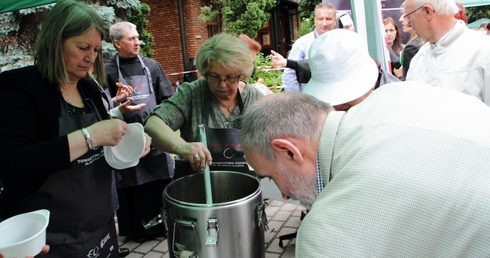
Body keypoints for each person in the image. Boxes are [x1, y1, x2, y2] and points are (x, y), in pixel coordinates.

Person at [240, 29, 490, 257]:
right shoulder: (400, 93)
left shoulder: (327, 229)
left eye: (271, 177)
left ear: (289, 151)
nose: (283, 194)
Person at [0, 0, 151, 257]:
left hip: (100, 226)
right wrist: (89, 137)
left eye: (95, 49)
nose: (90, 57)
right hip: (48, 238)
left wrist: (130, 144)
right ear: (55, 41)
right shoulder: (19, 88)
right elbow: (12, 163)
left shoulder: (89, 88)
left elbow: (104, 147)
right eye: (82, 47)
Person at [144, 33, 263, 180]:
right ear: (205, 73)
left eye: (230, 77)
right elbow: (152, 124)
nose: (222, 85)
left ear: (241, 74)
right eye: (214, 77)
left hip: (244, 192)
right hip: (195, 189)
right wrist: (182, 147)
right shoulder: (192, 94)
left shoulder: (255, 99)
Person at [105, 21, 175, 243]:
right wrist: (116, 103)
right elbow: (101, 105)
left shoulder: (152, 66)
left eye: (137, 37)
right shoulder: (107, 70)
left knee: (158, 180)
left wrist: (158, 130)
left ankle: (161, 226)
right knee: (132, 185)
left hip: (153, 135)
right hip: (125, 138)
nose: (137, 42)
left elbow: (168, 100)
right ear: (117, 43)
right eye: (131, 39)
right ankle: (138, 230)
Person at [404, 0, 490, 106]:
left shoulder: (483, 51)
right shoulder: (420, 57)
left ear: (427, 12)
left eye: (408, 16)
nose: (408, 24)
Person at [282, 2, 336, 92]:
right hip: (311, 100)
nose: (324, 23)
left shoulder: (341, 42)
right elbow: (290, 74)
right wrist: (298, 101)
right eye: (320, 19)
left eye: (328, 19)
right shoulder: (302, 44)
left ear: (335, 21)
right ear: (315, 20)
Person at [393, 3, 424, 81]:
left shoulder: (412, 48)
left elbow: (410, 83)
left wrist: (400, 76)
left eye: (406, 16)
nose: (400, 19)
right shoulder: (420, 43)